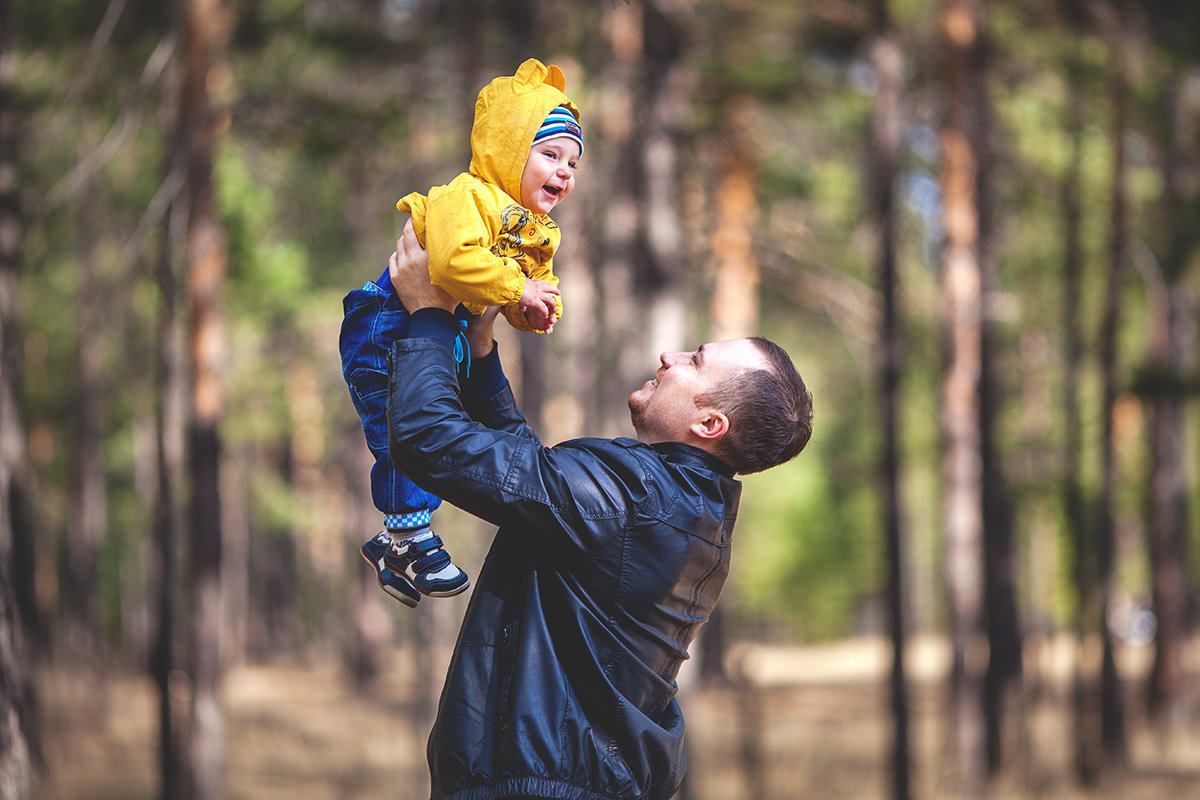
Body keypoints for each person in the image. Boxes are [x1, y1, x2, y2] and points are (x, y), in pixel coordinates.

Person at [382, 222, 814, 800]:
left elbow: (428, 439)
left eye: (696, 360)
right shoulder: (684, 508)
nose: (671, 355)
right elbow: (531, 484)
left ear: (709, 424)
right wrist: (482, 355)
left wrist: (429, 316)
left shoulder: (635, 494)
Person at [339, 58, 584, 607]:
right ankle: (406, 535)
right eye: (549, 154)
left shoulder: (533, 230)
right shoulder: (466, 197)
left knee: (448, 431)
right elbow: (451, 265)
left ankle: (397, 540)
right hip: (387, 322)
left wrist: (533, 308)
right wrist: (516, 291)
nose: (565, 171)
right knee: (402, 429)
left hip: (435, 328)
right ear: (508, 150)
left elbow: (528, 287)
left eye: (573, 162)